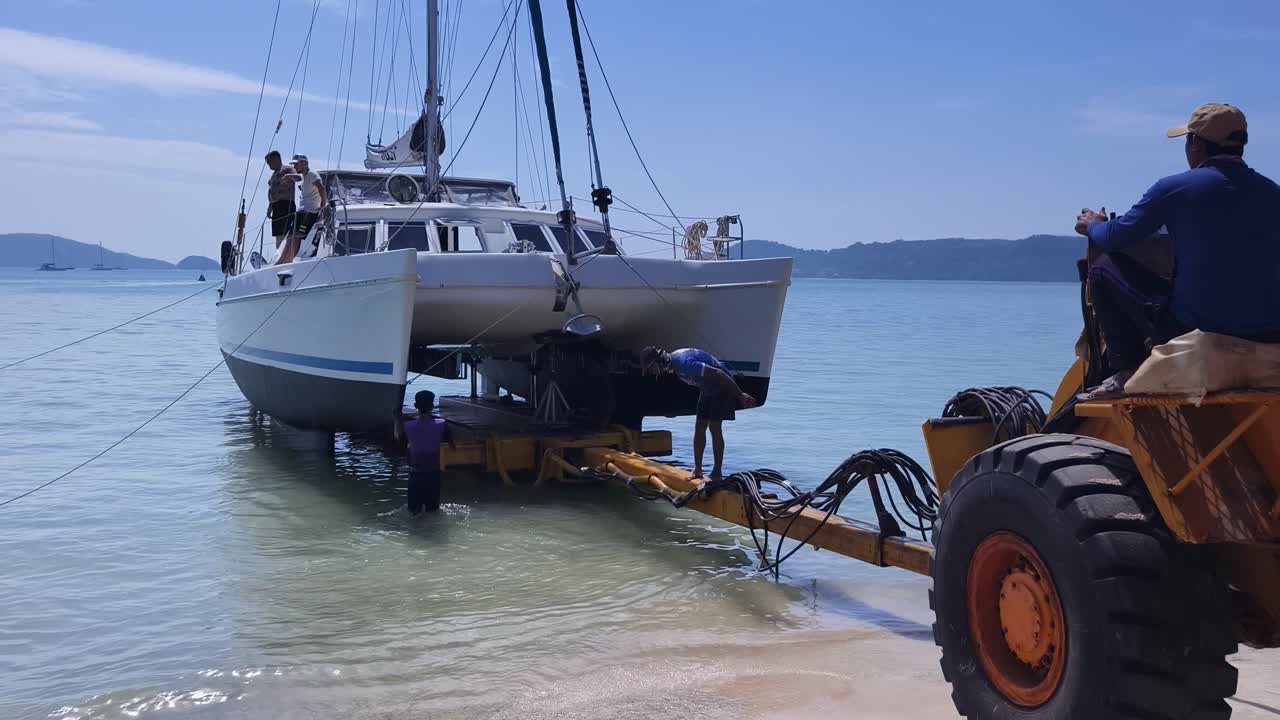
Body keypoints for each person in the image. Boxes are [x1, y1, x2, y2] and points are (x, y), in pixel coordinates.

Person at [1074, 102, 1280, 399]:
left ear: (1196, 143)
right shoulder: (1272, 192)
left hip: (1195, 329)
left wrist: (1094, 224)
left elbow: (1115, 237)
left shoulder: (1174, 189)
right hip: (1270, 332)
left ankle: (1126, 369)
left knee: (1102, 267)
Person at [642, 346, 757, 480]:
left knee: (714, 427)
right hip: (708, 388)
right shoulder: (677, 366)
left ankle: (717, 472)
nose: (654, 372)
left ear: (660, 361)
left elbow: (719, 373)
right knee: (700, 426)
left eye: (652, 368)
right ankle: (697, 470)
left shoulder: (684, 364)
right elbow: (700, 379)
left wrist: (740, 395)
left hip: (722, 385)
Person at [394, 390, 455, 514]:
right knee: (432, 511)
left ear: (415, 406)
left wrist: (396, 420)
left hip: (415, 475)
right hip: (434, 474)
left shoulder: (407, 425)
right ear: (432, 406)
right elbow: (452, 447)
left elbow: (399, 442)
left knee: (413, 512)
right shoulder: (442, 424)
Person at [279, 154, 327, 264]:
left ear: (304, 164)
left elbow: (321, 187)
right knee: (290, 236)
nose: (294, 166)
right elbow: (297, 177)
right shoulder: (305, 177)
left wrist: (323, 205)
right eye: (293, 164)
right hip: (302, 212)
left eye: (296, 164)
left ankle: (288, 260)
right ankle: (282, 260)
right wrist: (288, 176)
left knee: (297, 236)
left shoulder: (312, 175)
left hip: (309, 213)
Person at [264, 150, 297, 253]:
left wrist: (287, 178)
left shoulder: (287, 169)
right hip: (276, 206)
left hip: (285, 204)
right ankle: (279, 252)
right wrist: (270, 208)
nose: (269, 165)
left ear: (276, 159)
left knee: (285, 232)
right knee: (278, 233)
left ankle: (285, 253)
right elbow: (272, 191)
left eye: (269, 162)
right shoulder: (273, 175)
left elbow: (297, 177)